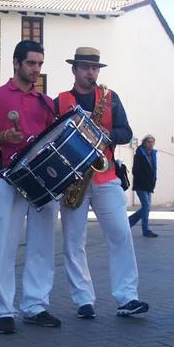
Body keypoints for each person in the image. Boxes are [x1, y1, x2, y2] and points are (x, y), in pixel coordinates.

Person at [56, 47, 149, 320]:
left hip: (105, 175)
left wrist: (110, 133)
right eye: (85, 67)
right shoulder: (60, 101)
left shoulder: (110, 98)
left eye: (95, 68)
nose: (91, 72)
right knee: (74, 242)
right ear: (74, 69)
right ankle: (83, 300)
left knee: (121, 234)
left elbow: (126, 132)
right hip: (73, 178)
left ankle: (127, 297)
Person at [0, 40, 60, 334]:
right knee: (5, 246)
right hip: (11, 178)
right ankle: (4, 311)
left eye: (40, 64)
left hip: (42, 181)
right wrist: (3, 137)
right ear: (16, 63)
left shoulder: (46, 102)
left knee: (42, 246)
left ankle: (36, 306)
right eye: (31, 63)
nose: (36, 69)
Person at [129, 134, 159, 237]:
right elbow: (135, 170)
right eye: (148, 142)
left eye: (152, 142)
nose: (151, 144)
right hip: (141, 184)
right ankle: (145, 230)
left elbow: (154, 169)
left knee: (147, 208)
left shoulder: (153, 154)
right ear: (144, 143)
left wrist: (153, 180)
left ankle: (128, 223)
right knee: (146, 207)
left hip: (149, 185)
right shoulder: (139, 154)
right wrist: (140, 179)